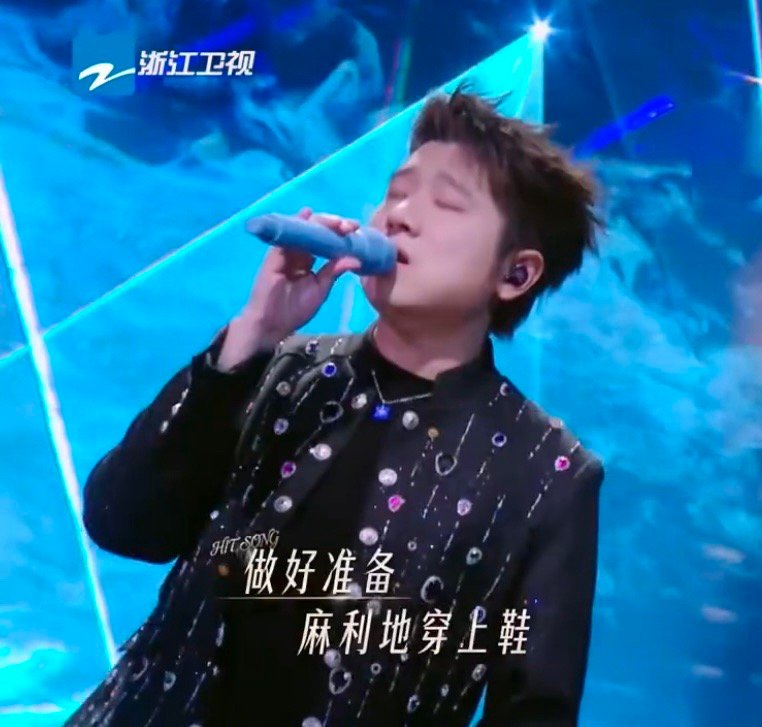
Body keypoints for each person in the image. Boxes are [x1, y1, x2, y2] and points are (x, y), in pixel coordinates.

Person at [67, 90, 607, 726]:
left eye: (445, 203)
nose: (400, 216)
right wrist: (248, 340)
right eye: (397, 193)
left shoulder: (548, 474)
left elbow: (534, 712)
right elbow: (122, 524)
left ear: (515, 275)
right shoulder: (278, 372)